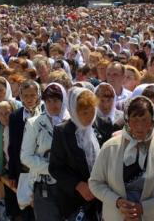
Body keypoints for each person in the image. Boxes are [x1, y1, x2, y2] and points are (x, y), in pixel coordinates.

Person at [89, 96, 154, 221]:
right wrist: (117, 202)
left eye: (144, 120)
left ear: (152, 122)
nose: (139, 126)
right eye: (134, 120)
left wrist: (143, 208)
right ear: (127, 121)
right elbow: (95, 183)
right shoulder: (110, 147)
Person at [49, 87, 101, 220]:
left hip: (100, 197)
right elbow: (55, 168)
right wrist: (77, 185)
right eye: (84, 112)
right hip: (74, 201)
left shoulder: (100, 126)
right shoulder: (63, 132)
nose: (89, 116)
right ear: (74, 111)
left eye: (92, 111)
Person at [20, 83, 69, 221]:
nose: (52, 105)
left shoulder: (72, 122)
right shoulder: (34, 123)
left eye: (56, 100)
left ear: (63, 100)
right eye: (48, 101)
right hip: (45, 186)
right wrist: (52, 169)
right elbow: (26, 157)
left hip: (68, 185)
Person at [8, 79, 43, 220]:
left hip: (40, 166)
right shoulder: (15, 116)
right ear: (21, 96)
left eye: (32, 95)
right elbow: (13, 146)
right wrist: (12, 173)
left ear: (38, 95)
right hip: (23, 169)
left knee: (41, 204)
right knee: (26, 205)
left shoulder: (44, 113)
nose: (29, 99)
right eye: (26, 95)